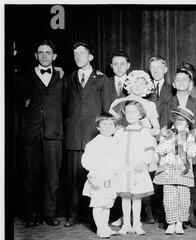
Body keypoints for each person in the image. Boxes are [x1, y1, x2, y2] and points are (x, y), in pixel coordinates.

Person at [20, 40, 66, 227]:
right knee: (30, 176)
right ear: (36, 56)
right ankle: (32, 214)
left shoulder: (63, 77)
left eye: (48, 52)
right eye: (41, 52)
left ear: (54, 56)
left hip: (53, 133)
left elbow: (67, 104)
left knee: (52, 177)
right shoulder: (24, 76)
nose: (45, 55)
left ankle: (49, 214)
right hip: (31, 132)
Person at [64, 41, 107, 227]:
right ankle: (73, 214)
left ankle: (92, 216)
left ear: (90, 57)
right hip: (73, 136)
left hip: (93, 136)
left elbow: (106, 110)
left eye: (82, 53)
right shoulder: (69, 78)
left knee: (94, 177)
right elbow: (64, 107)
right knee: (73, 177)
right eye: (75, 54)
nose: (78, 57)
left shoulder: (102, 79)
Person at [109, 70, 159, 225]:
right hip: (125, 145)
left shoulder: (149, 104)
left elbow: (156, 129)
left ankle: (144, 214)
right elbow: (114, 125)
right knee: (123, 182)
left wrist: (142, 128)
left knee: (140, 181)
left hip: (141, 145)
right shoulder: (121, 102)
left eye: (142, 84)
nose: (138, 86)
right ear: (129, 85)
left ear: (146, 88)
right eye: (135, 83)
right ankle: (124, 216)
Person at [163, 65, 196, 229]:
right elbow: (164, 126)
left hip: (190, 144)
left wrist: (192, 141)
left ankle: (189, 213)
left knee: (189, 182)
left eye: (185, 79)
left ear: (190, 83)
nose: (181, 82)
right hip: (172, 147)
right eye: (177, 79)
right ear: (173, 83)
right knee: (171, 185)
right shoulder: (168, 103)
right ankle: (170, 217)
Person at [113, 100, 156, 235]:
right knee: (125, 197)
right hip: (123, 170)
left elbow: (149, 149)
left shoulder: (144, 132)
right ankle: (126, 224)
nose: (130, 115)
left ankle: (137, 223)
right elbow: (115, 150)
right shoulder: (120, 132)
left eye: (134, 112)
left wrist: (143, 162)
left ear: (140, 114)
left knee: (137, 198)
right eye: (128, 112)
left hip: (138, 170)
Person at [154, 107, 196, 235]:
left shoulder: (190, 138)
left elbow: (193, 153)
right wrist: (170, 141)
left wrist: (186, 145)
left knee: (184, 198)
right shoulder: (167, 136)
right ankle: (171, 223)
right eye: (177, 121)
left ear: (188, 124)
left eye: (183, 121)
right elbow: (160, 150)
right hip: (168, 172)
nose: (179, 123)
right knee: (169, 198)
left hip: (183, 172)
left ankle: (180, 222)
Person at [103, 50, 130, 228]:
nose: (119, 67)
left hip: (128, 134)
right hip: (109, 134)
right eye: (115, 64)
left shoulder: (135, 81)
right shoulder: (104, 82)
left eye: (122, 64)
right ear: (111, 66)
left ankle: (127, 214)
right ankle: (112, 212)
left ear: (128, 66)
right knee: (112, 173)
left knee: (127, 175)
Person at [81, 112, 119, 238]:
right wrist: (95, 174)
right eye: (104, 124)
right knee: (98, 204)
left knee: (107, 204)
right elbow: (86, 162)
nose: (108, 127)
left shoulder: (115, 142)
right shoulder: (93, 144)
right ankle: (100, 228)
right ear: (98, 127)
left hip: (111, 178)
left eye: (111, 124)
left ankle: (105, 226)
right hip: (98, 178)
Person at [148, 56, 174, 130]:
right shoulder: (143, 88)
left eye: (159, 67)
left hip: (165, 131)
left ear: (165, 69)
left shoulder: (172, 90)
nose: (156, 71)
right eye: (153, 68)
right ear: (150, 70)